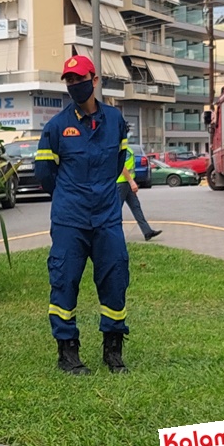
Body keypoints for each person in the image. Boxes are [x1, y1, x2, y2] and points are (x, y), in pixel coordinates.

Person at [35, 55, 130, 375]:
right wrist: (69, 197)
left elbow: (118, 162)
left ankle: (113, 350)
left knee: (115, 279)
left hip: (106, 217)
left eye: (80, 78)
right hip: (69, 220)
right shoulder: (56, 127)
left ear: (95, 79)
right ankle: (67, 353)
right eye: (70, 80)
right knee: (64, 283)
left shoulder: (116, 120)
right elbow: (45, 174)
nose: (75, 85)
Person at [118, 147, 162, 241]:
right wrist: (131, 181)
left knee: (136, 207)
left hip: (127, 183)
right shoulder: (120, 147)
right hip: (122, 183)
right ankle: (115, 234)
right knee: (116, 210)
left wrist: (131, 181)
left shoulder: (126, 148)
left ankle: (147, 232)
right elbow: (121, 165)